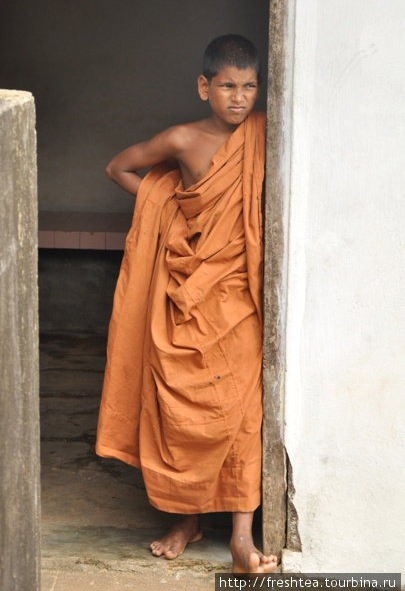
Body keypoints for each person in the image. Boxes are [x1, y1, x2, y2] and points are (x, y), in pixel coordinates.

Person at [95, 34, 277, 574]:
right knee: (178, 409)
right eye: (226, 86)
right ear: (204, 87)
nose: (238, 98)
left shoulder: (266, 133)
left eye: (248, 86)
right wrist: (165, 205)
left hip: (237, 294)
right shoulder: (180, 139)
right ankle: (186, 518)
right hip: (187, 288)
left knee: (244, 411)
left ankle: (242, 538)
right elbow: (119, 169)